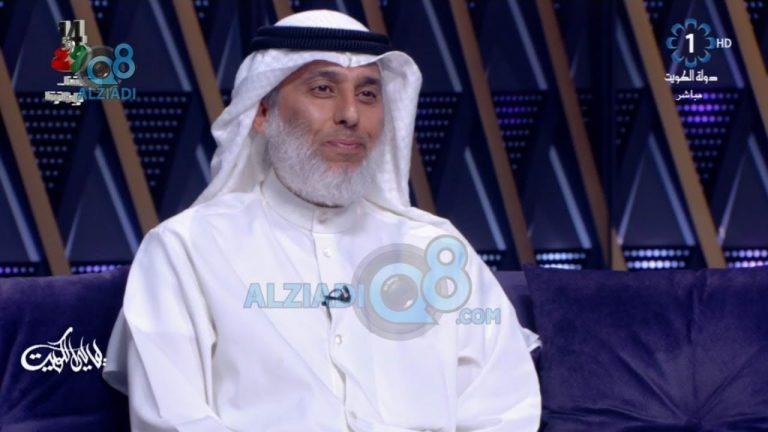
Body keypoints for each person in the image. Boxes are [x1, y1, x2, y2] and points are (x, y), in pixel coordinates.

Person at [104, 9, 541, 431]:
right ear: (262, 113)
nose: (350, 114)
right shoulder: (186, 248)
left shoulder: (435, 249)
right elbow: (174, 418)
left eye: (367, 95)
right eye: (323, 89)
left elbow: (503, 406)